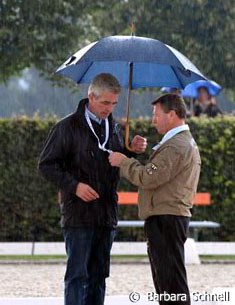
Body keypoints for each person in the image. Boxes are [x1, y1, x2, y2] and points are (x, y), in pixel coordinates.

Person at [38, 73, 147, 305]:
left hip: (106, 215)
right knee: (77, 276)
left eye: (114, 103)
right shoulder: (66, 127)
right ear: (90, 97)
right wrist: (74, 186)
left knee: (99, 277)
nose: (110, 108)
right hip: (78, 214)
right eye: (105, 102)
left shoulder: (117, 129)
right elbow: (46, 165)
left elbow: (115, 160)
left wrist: (133, 150)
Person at [109, 94, 201, 305]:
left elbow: (148, 178)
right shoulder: (177, 143)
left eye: (156, 115)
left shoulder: (176, 145)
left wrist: (123, 161)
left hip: (166, 219)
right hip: (167, 217)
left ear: (171, 114)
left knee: (170, 283)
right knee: (167, 281)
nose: (153, 120)